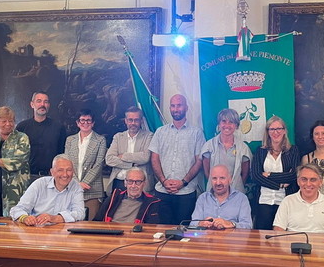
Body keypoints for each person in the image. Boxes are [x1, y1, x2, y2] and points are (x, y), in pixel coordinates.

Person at [149, 94, 206, 225]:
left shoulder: (197, 133)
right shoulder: (160, 132)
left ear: (186, 107)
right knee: (161, 231)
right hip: (162, 191)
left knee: (184, 232)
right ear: (170, 108)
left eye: (179, 105)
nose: (176, 109)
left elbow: (199, 161)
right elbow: (154, 158)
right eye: (173, 106)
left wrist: (183, 182)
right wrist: (163, 181)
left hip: (186, 193)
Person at [250, 116, 299, 229]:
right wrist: (279, 185)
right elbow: (256, 176)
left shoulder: (293, 150)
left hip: (285, 200)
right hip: (263, 201)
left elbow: (293, 175)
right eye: (272, 129)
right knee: (262, 235)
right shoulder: (260, 151)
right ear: (267, 132)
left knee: (282, 234)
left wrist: (268, 174)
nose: (275, 132)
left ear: (284, 131)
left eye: (279, 129)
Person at [10, 154, 85, 226]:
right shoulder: (39, 184)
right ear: (52, 172)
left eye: (69, 170)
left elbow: (80, 213)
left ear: (73, 172)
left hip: (65, 232)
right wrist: (25, 218)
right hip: (38, 229)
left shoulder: (76, 187)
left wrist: (55, 218)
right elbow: (17, 209)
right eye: (60, 170)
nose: (65, 174)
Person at [273, 163, 324, 234]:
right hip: (294, 242)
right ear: (298, 181)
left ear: (320, 182)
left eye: (313, 180)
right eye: (304, 179)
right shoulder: (287, 201)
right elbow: (278, 230)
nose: (308, 184)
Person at [64, 109, 107, 221]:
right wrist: (77, 184)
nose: (85, 123)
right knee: (71, 223)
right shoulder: (70, 140)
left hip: (92, 191)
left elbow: (98, 164)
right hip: (72, 188)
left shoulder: (100, 140)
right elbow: (67, 163)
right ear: (77, 123)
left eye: (88, 120)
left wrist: (84, 184)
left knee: (91, 225)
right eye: (82, 120)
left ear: (93, 123)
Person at [16, 91, 67, 183]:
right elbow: (16, 154)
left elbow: (62, 153)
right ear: (32, 104)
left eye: (46, 102)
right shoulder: (22, 127)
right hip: (27, 177)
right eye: (39, 101)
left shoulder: (58, 127)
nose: (42, 104)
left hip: (51, 177)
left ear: (49, 105)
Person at [200, 108, 252, 193]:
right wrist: (217, 184)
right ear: (219, 124)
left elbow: (245, 174)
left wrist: (235, 186)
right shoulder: (208, 146)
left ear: (236, 126)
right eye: (224, 121)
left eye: (231, 122)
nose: (227, 125)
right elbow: (207, 172)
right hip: (214, 192)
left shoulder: (244, 148)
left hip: (236, 192)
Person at [105, 106, 154, 193]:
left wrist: (123, 156)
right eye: (130, 120)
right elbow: (109, 159)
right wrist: (132, 164)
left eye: (136, 120)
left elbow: (145, 157)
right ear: (126, 121)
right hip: (119, 182)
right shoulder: (118, 137)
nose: (133, 123)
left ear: (141, 121)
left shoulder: (148, 136)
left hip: (140, 184)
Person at [191, 164, 252, 229]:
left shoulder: (241, 199)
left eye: (222, 178)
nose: (218, 183)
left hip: (231, 235)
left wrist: (231, 224)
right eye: (214, 178)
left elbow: (248, 226)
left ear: (230, 180)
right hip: (208, 235)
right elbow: (192, 224)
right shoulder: (203, 198)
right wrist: (200, 223)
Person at [94, 168, 160, 224]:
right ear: (125, 183)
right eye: (130, 181)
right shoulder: (114, 197)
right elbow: (97, 221)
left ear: (144, 183)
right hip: (111, 232)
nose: (133, 186)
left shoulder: (151, 202)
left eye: (138, 182)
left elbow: (152, 227)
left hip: (135, 234)